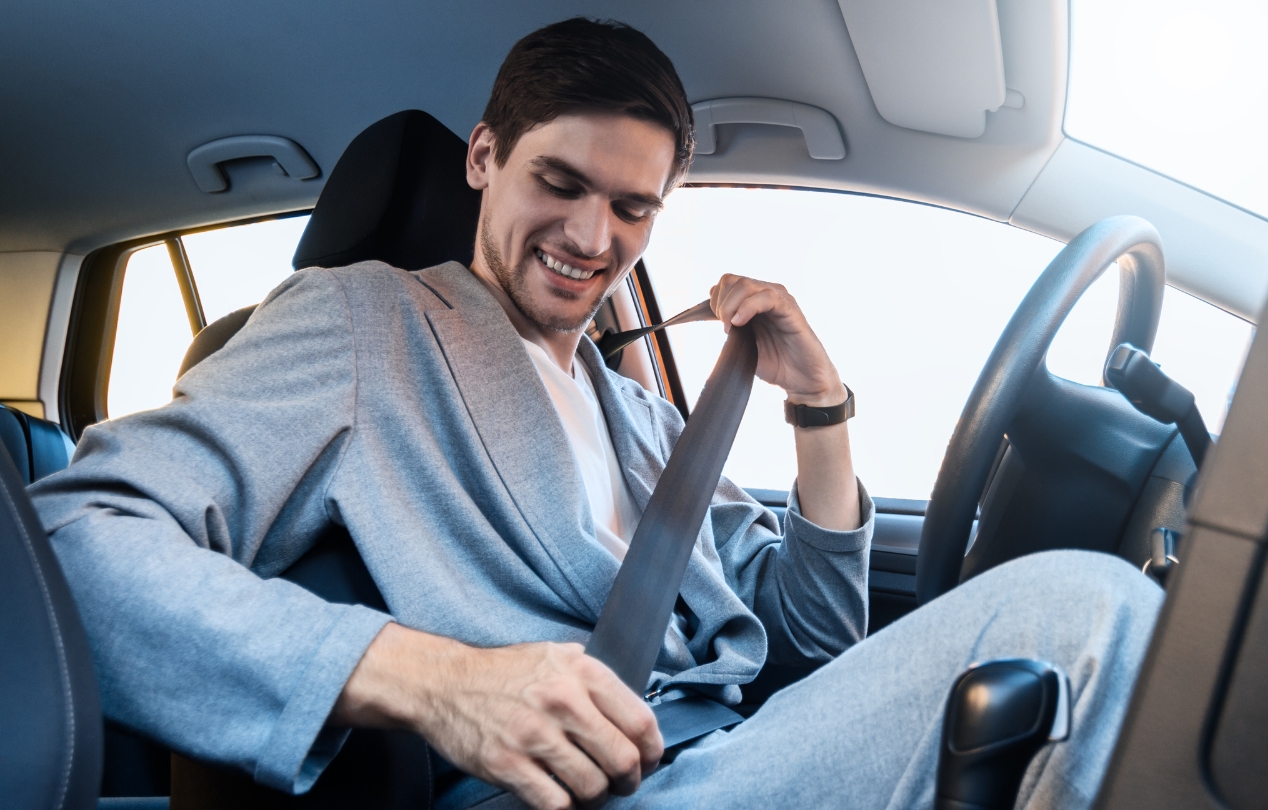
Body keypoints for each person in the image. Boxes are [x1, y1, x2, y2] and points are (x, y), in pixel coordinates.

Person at [31, 17, 1163, 810]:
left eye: (632, 207)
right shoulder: (364, 325)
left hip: (735, 756)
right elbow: (77, 540)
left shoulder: (642, 417)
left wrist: (820, 412)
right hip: (583, 792)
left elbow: (814, 644)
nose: (591, 238)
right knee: (1085, 618)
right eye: (558, 184)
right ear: (484, 160)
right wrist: (436, 681)